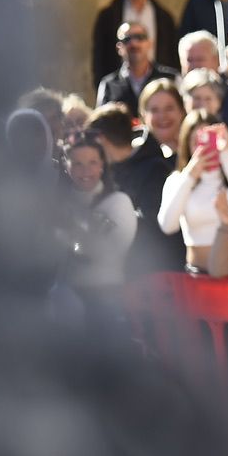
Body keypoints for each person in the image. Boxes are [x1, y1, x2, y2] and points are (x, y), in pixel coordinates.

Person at [85, 100, 181, 277]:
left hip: (157, 276)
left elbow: (153, 226)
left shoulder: (155, 170)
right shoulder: (108, 173)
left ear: (101, 140)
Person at [158, 112, 228, 273]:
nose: (204, 149)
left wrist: (225, 154)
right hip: (196, 275)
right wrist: (190, 174)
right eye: (197, 142)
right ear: (186, 145)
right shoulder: (177, 180)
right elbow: (168, 225)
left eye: (209, 140)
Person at [57, 131, 137, 324]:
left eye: (93, 162)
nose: (86, 171)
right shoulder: (59, 204)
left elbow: (105, 252)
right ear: (66, 167)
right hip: (62, 300)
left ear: (102, 166)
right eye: (77, 164)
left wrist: (71, 235)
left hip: (106, 299)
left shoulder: (118, 202)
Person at [91, 0, 177, 88]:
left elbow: (172, 52)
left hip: (158, 83)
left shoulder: (163, 17)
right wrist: (103, 85)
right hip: (122, 84)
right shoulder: (108, 16)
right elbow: (99, 55)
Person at [96, 21, 180, 110]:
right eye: (127, 39)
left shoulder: (171, 78)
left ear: (150, 43)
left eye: (139, 37)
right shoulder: (109, 84)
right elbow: (102, 121)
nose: (134, 43)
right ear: (119, 48)